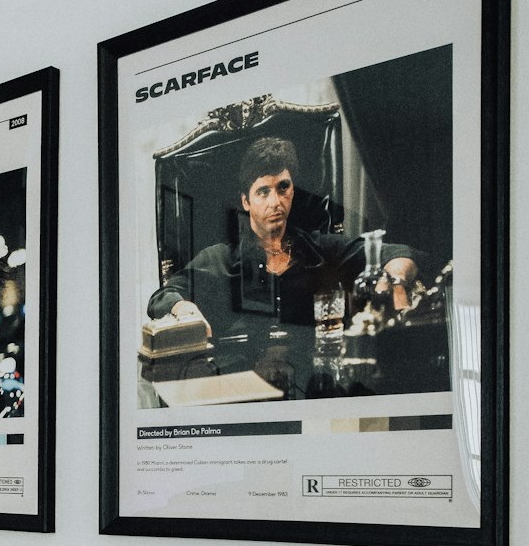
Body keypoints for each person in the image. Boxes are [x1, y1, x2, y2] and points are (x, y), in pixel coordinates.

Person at [147, 136, 422, 399]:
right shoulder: (219, 258)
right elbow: (163, 297)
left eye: (283, 187)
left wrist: (395, 283)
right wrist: (185, 310)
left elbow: (401, 253)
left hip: (317, 387)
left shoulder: (321, 249)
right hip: (242, 392)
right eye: (262, 191)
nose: (275, 202)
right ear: (246, 201)